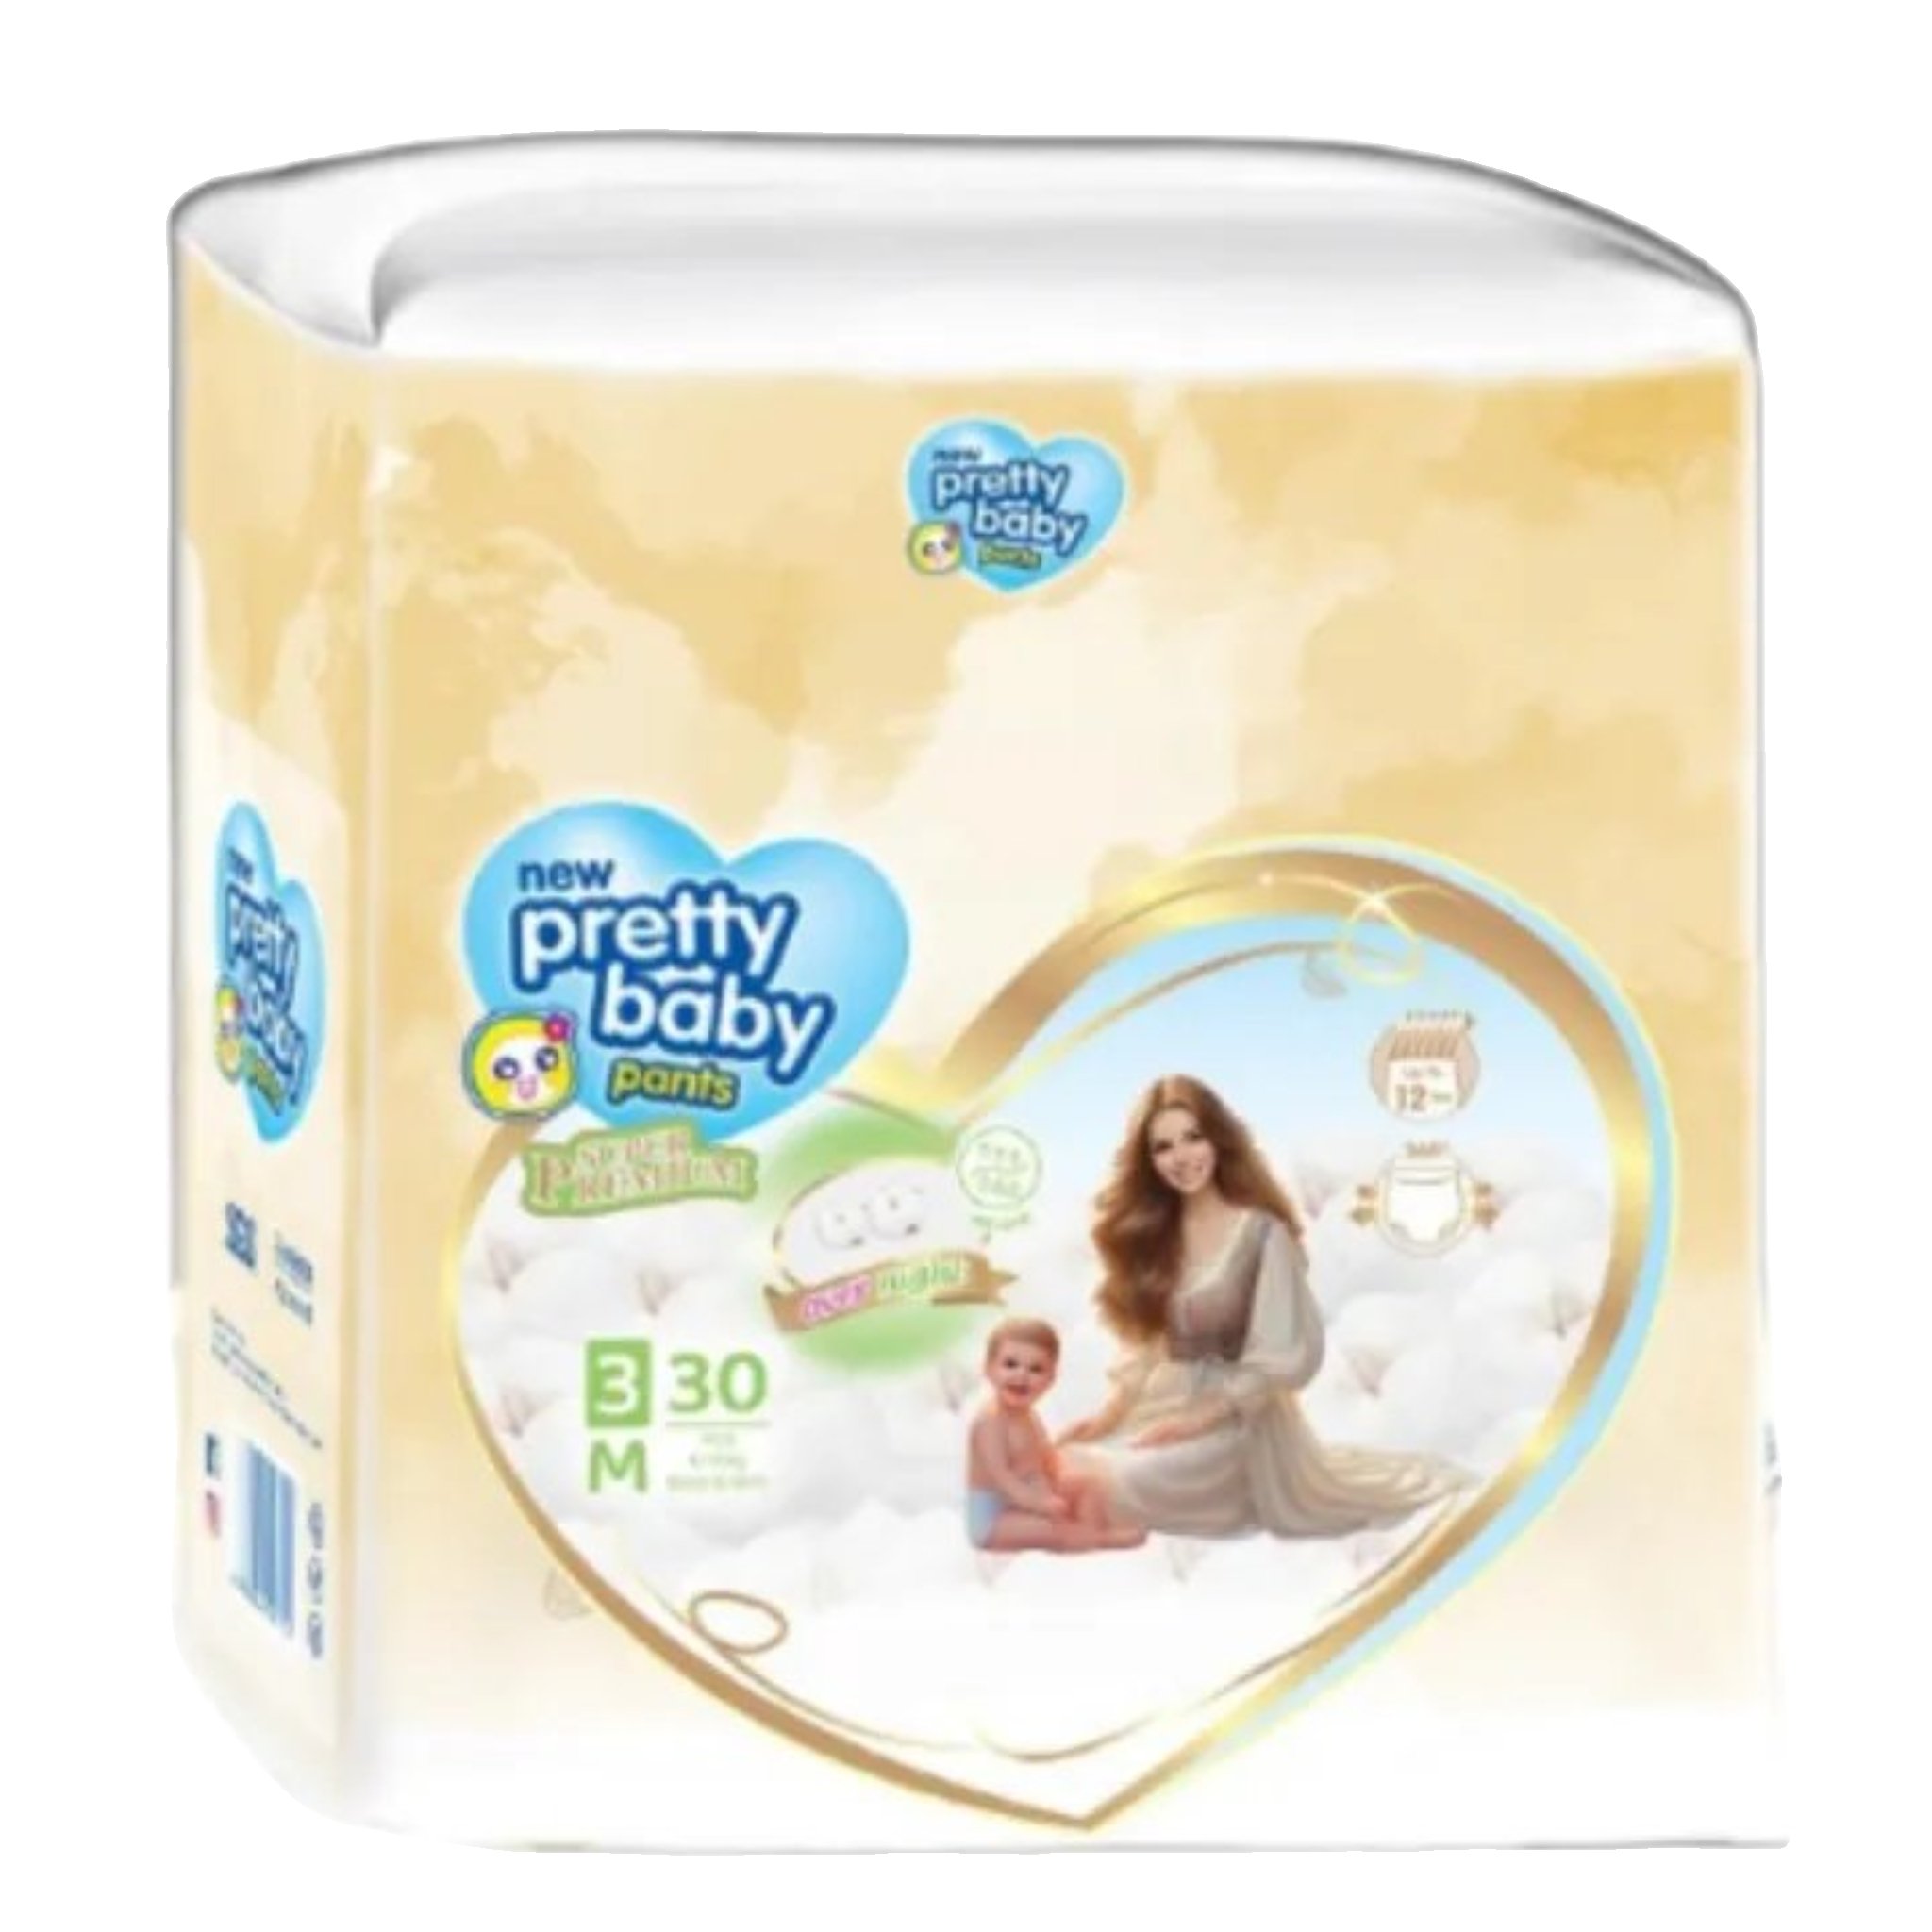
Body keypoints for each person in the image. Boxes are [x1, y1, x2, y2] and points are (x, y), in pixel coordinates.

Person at [1058, 1075, 1462, 1538]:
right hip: (1161, 1405)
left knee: (1119, 1481)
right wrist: (1108, 1417)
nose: (1182, 1157)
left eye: (1193, 1137)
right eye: (1163, 1147)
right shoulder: (1155, 1238)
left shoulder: (1261, 1235)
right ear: (1148, 1162)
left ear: (1218, 1140)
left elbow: (1285, 1355)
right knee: (1065, 1463)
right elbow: (1147, 1348)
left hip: (1240, 1418)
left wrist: (1201, 1418)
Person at [966, 1317, 1147, 1553]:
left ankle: (1091, 1532)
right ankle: (1095, 1539)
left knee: (1090, 1486)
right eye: (1010, 1364)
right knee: (1053, 1528)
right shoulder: (989, 1423)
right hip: (994, 1518)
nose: (1022, 1375)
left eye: (1036, 1369)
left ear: (1050, 1379)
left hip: (1030, 1494)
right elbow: (1003, 1480)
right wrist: (1039, 1503)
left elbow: (1045, 1456)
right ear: (988, 1369)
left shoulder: (1029, 1416)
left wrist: (1059, 1480)